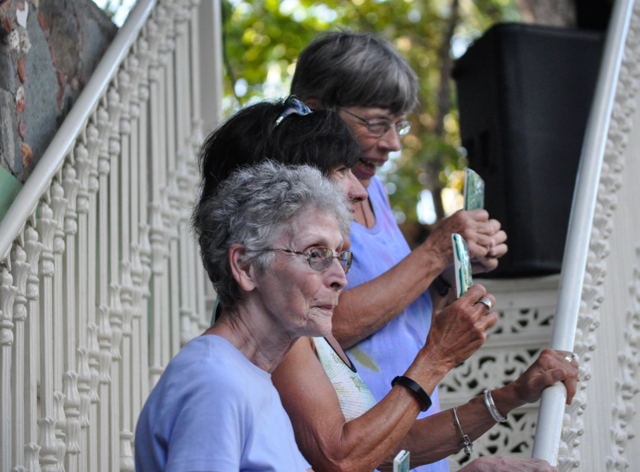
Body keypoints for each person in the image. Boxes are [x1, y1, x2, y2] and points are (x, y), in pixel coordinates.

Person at [200, 99, 576, 472]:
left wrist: (512, 396)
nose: (360, 191)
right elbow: (340, 458)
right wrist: (435, 357)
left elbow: (387, 448)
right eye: (339, 171)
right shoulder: (254, 339)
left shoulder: (297, 322)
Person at [290, 31, 509, 471]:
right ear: (315, 112)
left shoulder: (375, 191)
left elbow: (401, 316)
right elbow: (320, 329)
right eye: (375, 123)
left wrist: (452, 269)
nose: (393, 142)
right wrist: (433, 251)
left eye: (398, 124)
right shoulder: (296, 205)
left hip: (411, 443)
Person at [134, 161, 353, 471]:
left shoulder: (249, 375)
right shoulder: (215, 380)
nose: (339, 277)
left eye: (340, 257)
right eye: (315, 254)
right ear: (247, 266)